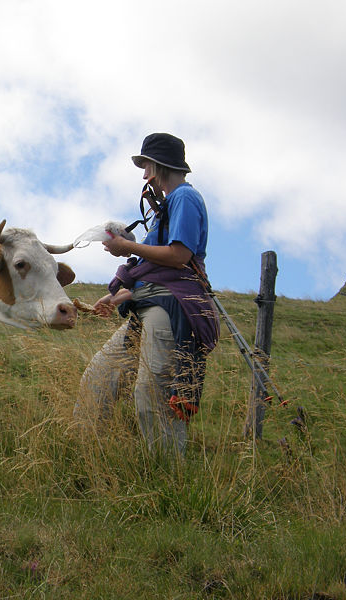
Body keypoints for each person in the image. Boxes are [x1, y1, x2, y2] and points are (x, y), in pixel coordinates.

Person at [74, 133, 219, 455]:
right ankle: (84, 457)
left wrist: (124, 246)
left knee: (152, 394)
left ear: (157, 166)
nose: (143, 175)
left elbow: (180, 257)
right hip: (151, 304)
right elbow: (157, 272)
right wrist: (116, 298)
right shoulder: (169, 205)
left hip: (170, 309)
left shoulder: (184, 198)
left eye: (146, 166)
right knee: (99, 378)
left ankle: (169, 479)